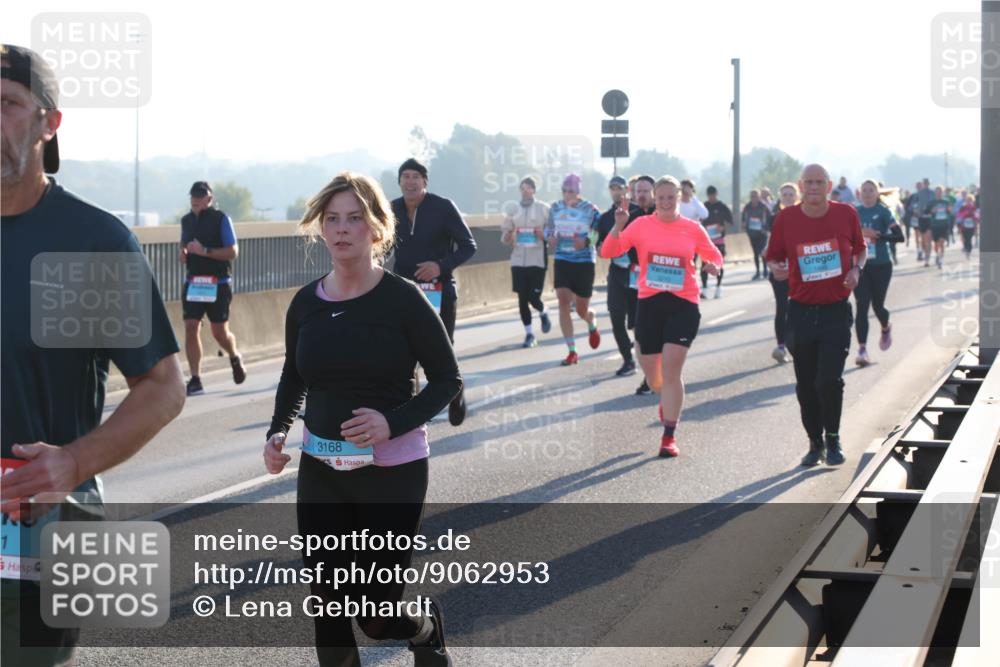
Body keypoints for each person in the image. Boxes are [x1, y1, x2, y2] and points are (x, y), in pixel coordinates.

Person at [1, 44, 185, 667]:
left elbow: (163, 384)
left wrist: (72, 463)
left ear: (48, 123)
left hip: (39, 535)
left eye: (7, 104)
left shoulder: (91, 242)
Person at [265, 172, 460, 667]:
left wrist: (391, 422)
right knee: (328, 606)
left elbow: (446, 379)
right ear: (320, 228)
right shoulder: (306, 302)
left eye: (355, 218)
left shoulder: (403, 300)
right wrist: (278, 429)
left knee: (376, 615)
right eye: (332, 219)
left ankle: (423, 627)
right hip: (321, 470)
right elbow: (294, 373)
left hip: (392, 471)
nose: (342, 229)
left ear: (376, 228)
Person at [600, 176, 723, 458]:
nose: (666, 202)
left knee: (671, 371)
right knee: (654, 377)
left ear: (680, 198)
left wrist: (712, 266)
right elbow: (608, 251)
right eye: (662, 198)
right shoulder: (641, 225)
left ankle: (669, 435)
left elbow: (714, 255)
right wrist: (619, 227)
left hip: (683, 304)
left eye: (672, 197)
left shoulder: (692, 229)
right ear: (655, 199)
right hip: (650, 304)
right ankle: (664, 399)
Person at [766, 164, 865, 467]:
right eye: (808, 182)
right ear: (800, 185)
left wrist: (856, 269)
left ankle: (833, 438)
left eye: (819, 182)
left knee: (829, 381)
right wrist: (776, 267)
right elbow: (773, 254)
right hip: (801, 313)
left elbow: (860, 249)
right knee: (806, 385)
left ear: (829, 185)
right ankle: (814, 442)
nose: (813, 187)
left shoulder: (846, 213)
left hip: (835, 311)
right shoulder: (786, 218)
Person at [391, 158, 477, 426]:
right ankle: (409, 409)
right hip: (403, 290)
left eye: (415, 176)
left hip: (439, 291)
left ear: (424, 182)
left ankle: (456, 393)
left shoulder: (443, 207)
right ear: (400, 182)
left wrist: (439, 266)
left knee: (441, 349)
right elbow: (381, 246)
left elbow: (468, 245)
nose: (410, 181)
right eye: (405, 176)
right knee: (403, 350)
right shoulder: (391, 209)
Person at [180, 181, 246, 395]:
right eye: (194, 197)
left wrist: (204, 250)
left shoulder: (221, 219)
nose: (197, 200)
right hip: (194, 283)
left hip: (218, 283)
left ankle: (234, 355)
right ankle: (195, 378)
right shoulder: (186, 221)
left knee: (219, 332)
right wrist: (184, 254)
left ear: (210, 198)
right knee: (191, 326)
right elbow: (184, 248)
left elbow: (232, 252)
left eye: (202, 196)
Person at [545, 173, 602, 366]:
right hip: (563, 259)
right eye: (564, 190)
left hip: (584, 261)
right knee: (562, 300)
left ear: (578, 192)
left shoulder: (590, 209)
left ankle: (591, 321)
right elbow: (548, 230)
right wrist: (550, 238)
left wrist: (586, 241)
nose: (567, 194)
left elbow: (599, 233)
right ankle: (572, 351)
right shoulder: (555, 207)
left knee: (581, 309)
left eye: (571, 191)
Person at [853, 180, 903, 367]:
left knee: (878, 306)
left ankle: (885, 326)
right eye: (864, 190)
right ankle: (862, 350)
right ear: (859, 193)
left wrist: (878, 236)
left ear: (877, 193)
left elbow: (900, 236)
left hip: (881, 264)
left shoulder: (883, 212)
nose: (867, 193)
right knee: (862, 305)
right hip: (860, 265)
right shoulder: (854, 212)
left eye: (871, 190)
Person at [597, 175, 642, 376]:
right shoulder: (605, 218)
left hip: (637, 273)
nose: (616, 191)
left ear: (626, 190)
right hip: (616, 273)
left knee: (637, 323)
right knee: (616, 318)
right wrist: (600, 247)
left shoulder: (638, 213)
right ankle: (628, 360)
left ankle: (646, 358)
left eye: (619, 188)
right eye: (612, 188)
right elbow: (598, 245)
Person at [501, 176, 551, 348]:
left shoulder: (544, 209)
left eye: (529, 187)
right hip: (518, 260)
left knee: (533, 297)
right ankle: (529, 334)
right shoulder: (513, 209)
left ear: (534, 190)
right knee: (522, 299)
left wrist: (542, 235)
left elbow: (552, 235)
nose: (525, 190)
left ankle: (543, 311)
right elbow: (505, 236)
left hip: (537, 260)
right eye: (522, 188)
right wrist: (508, 235)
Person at [631, 176, 657, 395]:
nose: (641, 195)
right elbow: (623, 248)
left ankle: (660, 376)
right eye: (638, 191)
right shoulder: (630, 217)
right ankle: (650, 377)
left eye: (645, 191)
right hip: (639, 283)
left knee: (663, 334)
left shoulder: (665, 216)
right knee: (640, 333)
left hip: (667, 282)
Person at [769, 182, 799, 364]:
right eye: (784, 194)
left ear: (796, 196)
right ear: (780, 197)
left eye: (791, 194)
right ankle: (781, 345)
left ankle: (797, 344)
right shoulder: (774, 217)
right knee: (782, 307)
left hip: (800, 271)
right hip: (780, 270)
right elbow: (769, 244)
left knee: (797, 309)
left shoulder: (804, 215)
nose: (788, 197)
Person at [701, 185, 732, 299]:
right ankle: (704, 289)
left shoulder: (722, 206)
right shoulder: (704, 206)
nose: (711, 198)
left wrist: (723, 227)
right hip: (706, 242)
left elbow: (730, 221)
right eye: (709, 196)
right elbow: (698, 220)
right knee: (704, 265)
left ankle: (718, 287)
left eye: (713, 195)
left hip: (719, 240)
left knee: (718, 264)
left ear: (716, 194)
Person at [741, 189, 772, 279]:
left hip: (762, 233)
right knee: (755, 253)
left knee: (762, 252)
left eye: (755, 196)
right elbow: (743, 218)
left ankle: (765, 270)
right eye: (752, 196)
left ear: (759, 197)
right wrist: (744, 225)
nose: (753, 198)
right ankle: (758, 271)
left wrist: (765, 228)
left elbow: (770, 219)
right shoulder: (747, 207)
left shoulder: (764, 207)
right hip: (752, 233)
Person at [925, 186, 954, 269]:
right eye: (937, 192)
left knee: (942, 242)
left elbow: (950, 212)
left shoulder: (946, 202)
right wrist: (931, 211)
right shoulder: (931, 202)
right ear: (935, 193)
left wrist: (949, 209)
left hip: (944, 224)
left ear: (942, 192)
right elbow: (926, 211)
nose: (938, 193)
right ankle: (937, 255)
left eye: (940, 192)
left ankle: (941, 259)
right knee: (936, 243)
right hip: (935, 225)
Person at [956, 194, 980, 260]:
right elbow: (958, 215)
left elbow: (977, 216)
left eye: (970, 200)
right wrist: (959, 223)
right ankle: (965, 248)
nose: (969, 201)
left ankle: (968, 252)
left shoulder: (974, 208)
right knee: (965, 238)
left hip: (972, 226)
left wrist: (975, 219)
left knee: (969, 239)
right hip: (964, 226)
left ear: (972, 201)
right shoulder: (963, 207)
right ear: (965, 201)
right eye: (967, 200)